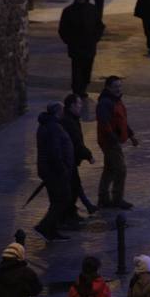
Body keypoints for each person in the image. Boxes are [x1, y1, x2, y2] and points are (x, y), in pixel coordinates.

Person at [96, 75, 138, 210]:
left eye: (120, 86)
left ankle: (103, 198)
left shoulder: (116, 100)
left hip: (113, 140)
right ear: (108, 87)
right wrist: (113, 138)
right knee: (120, 170)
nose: (119, 89)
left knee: (109, 169)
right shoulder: (105, 103)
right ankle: (117, 199)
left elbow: (122, 120)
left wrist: (131, 136)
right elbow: (104, 123)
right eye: (115, 87)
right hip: (109, 142)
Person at [35, 101, 75, 241]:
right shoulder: (53, 127)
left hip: (49, 170)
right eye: (62, 110)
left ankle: (51, 230)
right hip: (55, 171)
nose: (64, 113)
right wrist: (63, 169)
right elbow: (55, 151)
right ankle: (45, 226)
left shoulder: (46, 125)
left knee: (56, 200)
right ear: (58, 112)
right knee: (63, 199)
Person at [59, 0, 104, 99]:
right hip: (76, 46)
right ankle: (77, 90)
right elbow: (63, 29)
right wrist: (69, 41)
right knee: (77, 69)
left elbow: (99, 26)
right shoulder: (68, 11)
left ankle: (83, 87)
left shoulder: (92, 9)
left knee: (87, 68)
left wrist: (95, 39)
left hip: (89, 45)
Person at [61, 93, 98, 222]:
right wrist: (89, 155)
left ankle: (83, 207)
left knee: (75, 184)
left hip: (70, 159)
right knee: (73, 186)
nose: (81, 106)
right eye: (79, 104)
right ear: (72, 106)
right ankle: (69, 215)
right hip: (67, 160)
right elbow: (76, 142)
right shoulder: (69, 122)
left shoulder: (72, 119)